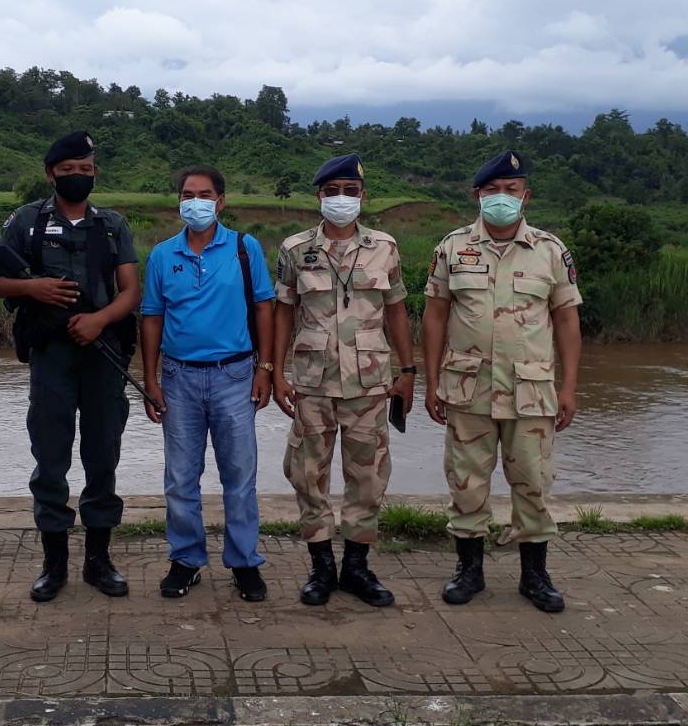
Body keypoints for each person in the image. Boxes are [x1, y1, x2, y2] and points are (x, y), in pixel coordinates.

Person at [0, 130, 141, 602]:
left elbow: (131, 290)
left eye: (85, 169)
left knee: (103, 456)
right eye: (68, 170)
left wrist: (99, 320)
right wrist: (33, 289)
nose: (78, 176)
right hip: (51, 356)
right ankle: (54, 565)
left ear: (95, 173)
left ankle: (98, 560)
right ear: (50, 174)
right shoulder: (26, 221)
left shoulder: (111, 225)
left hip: (103, 354)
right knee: (50, 459)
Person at [422, 150, 582, 613]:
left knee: (533, 481)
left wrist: (569, 388)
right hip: (467, 388)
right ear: (477, 195)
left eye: (511, 190)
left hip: (530, 390)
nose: (502, 197)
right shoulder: (452, 247)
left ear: (525, 196)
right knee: (466, 482)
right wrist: (430, 383)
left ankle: (535, 576)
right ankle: (468, 571)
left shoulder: (550, 250)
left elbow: (567, 321)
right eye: (492, 190)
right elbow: (434, 316)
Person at [270, 154, 415, 608]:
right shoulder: (295, 249)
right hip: (311, 382)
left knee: (368, 478)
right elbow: (283, 312)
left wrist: (408, 372)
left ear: (363, 196)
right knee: (307, 474)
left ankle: (356, 567)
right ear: (319, 196)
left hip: (370, 383)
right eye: (332, 191)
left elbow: (397, 310)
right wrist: (276, 373)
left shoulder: (385, 247)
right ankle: (321, 567)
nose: (341, 198)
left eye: (350, 191)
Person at [139, 166, 276, 601]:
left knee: (239, 474)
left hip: (234, 375)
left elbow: (264, 307)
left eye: (204, 194)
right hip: (178, 378)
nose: (194, 202)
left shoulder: (244, 248)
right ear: (178, 201)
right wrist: (150, 378)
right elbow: (152, 316)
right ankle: (185, 560)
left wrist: (265, 368)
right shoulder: (163, 255)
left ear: (221, 201)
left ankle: (244, 562)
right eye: (187, 194)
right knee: (181, 477)